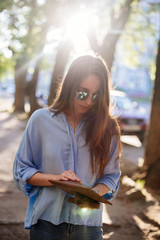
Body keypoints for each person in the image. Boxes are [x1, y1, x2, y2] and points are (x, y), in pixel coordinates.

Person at [13, 55, 121, 240]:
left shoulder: (108, 128)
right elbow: (22, 170)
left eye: (96, 96)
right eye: (82, 93)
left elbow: (112, 177)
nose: (88, 101)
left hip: (89, 228)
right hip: (46, 226)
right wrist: (56, 178)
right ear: (70, 86)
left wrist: (92, 194)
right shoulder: (41, 120)